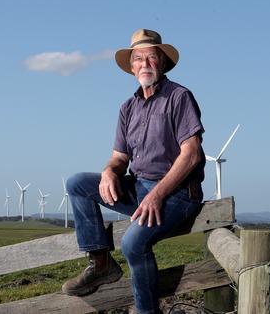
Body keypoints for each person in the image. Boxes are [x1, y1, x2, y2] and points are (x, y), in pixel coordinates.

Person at [62, 29, 206, 314]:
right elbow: (119, 158)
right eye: (138, 59)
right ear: (131, 67)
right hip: (140, 188)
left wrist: (157, 195)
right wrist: (109, 172)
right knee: (78, 183)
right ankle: (101, 263)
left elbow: (192, 154)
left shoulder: (179, 97)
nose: (145, 64)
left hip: (177, 194)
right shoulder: (128, 107)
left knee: (132, 243)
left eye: (151, 58)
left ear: (162, 62)